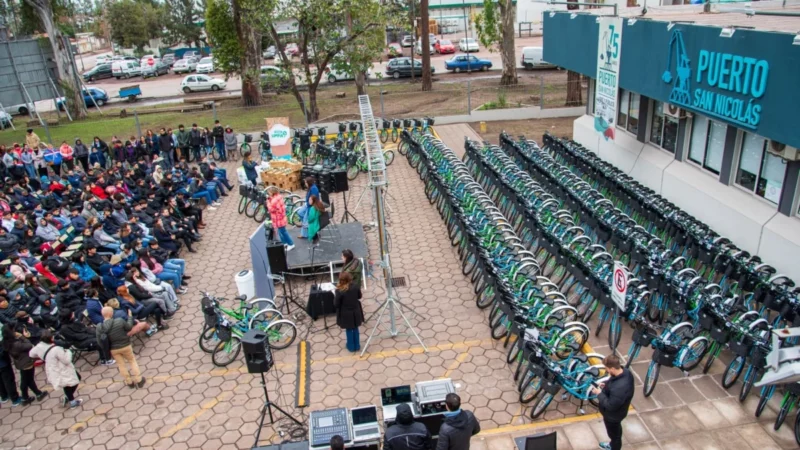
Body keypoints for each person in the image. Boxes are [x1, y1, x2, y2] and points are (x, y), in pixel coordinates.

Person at [29, 330, 83, 408]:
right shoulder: (56, 349)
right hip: (62, 368)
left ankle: (69, 398)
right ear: (51, 338)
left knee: (68, 383)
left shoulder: (39, 346)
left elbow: (31, 354)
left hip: (52, 368)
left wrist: (42, 357)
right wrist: (68, 352)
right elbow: (66, 360)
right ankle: (72, 402)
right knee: (69, 383)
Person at [97, 306, 146, 388]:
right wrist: (130, 316)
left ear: (103, 315)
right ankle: (139, 380)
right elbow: (129, 327)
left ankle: (129, 382)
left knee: (121, 365)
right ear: (112, 313)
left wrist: (107, 349)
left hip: (113, 349)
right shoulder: (119, 321)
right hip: (125, 345)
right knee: (132, 361)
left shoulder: (100, 327)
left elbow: (99, 341)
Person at [592, 355, 634, 450]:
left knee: (615, 436)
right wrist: (606, 385)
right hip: (617, 413)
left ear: (612, 368)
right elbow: (613, 383)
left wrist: (599, 394)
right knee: (616, 432)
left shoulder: (620, 388)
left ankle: (613, 447)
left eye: (607, 368)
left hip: (613, 416)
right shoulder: (625, 372)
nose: (606, 370)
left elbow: (611, 405)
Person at [3, 324, 48, 405]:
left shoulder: (6, 342)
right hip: (26, 362)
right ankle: (33, 395)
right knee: (27, 380)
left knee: (26, 379)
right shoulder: (16, 344)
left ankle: (29, 396)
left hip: (20, 363)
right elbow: (29, 345)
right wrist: (22, 336)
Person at [334, 272, 363, 352]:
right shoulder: (355, 286)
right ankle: (357, 345)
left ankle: (350, 346)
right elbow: (359, 296)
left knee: (349, 329)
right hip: (355, 311)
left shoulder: (339, 290)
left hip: (346, 314)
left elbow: (336, 304)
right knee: (355, 328)